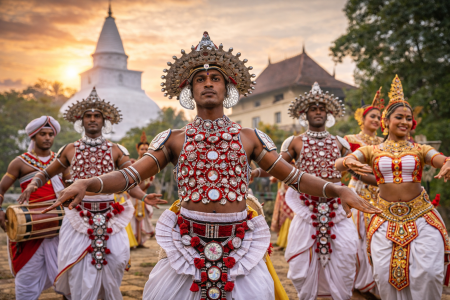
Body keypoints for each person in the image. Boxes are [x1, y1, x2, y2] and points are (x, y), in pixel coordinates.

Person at [44, 32, 380, 300]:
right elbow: (131, 174)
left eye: (215, 78)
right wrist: (89, 184)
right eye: (200, 78)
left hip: (239, 241)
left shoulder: (249, 137)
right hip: (187, 241)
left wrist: (335, 188)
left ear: (227, 87)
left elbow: (293, 176)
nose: (208, 83)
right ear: (189, 89)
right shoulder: (174, 138)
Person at [18, 87, 166, 300]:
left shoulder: (116, 150)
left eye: (97, 116)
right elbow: (46, 172)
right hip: (77, 216)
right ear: (81, 119)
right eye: (88, 115)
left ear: (104, 121)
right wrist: (34, 183)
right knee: (77, 269)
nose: (93, 119)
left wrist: (143, 196)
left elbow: (128, 179)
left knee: (116, 261)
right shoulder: (69, 149)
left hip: (110, 215)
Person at [335, 75, 450, 300]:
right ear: (386, 121)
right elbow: (340, 162)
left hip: (421, 217)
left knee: (427, 273)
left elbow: (441, 158)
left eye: (408, 118)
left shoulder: (420, 149)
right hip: (384, 217)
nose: (404, 122)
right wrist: (347, 161)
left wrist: (448, 162)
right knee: (385, 277)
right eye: (399, 117)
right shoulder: (372, 150)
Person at [252, 82, 361, 299]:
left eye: (322, 108)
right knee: (300, 265)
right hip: (306, 209)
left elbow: (355, 171)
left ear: (328, 113)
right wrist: (256, 173)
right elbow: (277, 167)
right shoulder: (294, 142)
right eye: (313, 108)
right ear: (305, 114)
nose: (318, 111)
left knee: (347, 255)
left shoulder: (340, 143)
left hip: (337, 209)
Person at [0, 116, 67, 300]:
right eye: (43, 134)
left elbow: (72, 186)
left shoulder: (61, 162)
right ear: (33, 137)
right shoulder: (19, 162)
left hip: (59, 229)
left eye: (51, 134)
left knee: (69, 277)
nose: (47, 138)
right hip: (30, 228)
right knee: (26, 280)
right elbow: (1, 189)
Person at [344, 88, 384, 295]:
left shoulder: (386, 143)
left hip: (380, 195)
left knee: (376, 237)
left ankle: (374, 281)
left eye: (379, 117)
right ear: (363, 118)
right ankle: (357, 280)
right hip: (358, 192)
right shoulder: (351, 139)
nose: (377, 120)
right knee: (357, 237)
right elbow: (349, 166)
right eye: (373, 116)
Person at [130, 131, 156, 247]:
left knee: (142, 218)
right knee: (132, 218)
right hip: (132, 196)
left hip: (143, 196)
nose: (144, 151)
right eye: (142, 149)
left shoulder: (151, 167)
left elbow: (147, 184)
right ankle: (133, 241)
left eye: (146, 149)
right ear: (137, 149)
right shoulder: (131, 163)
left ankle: (141, 241)